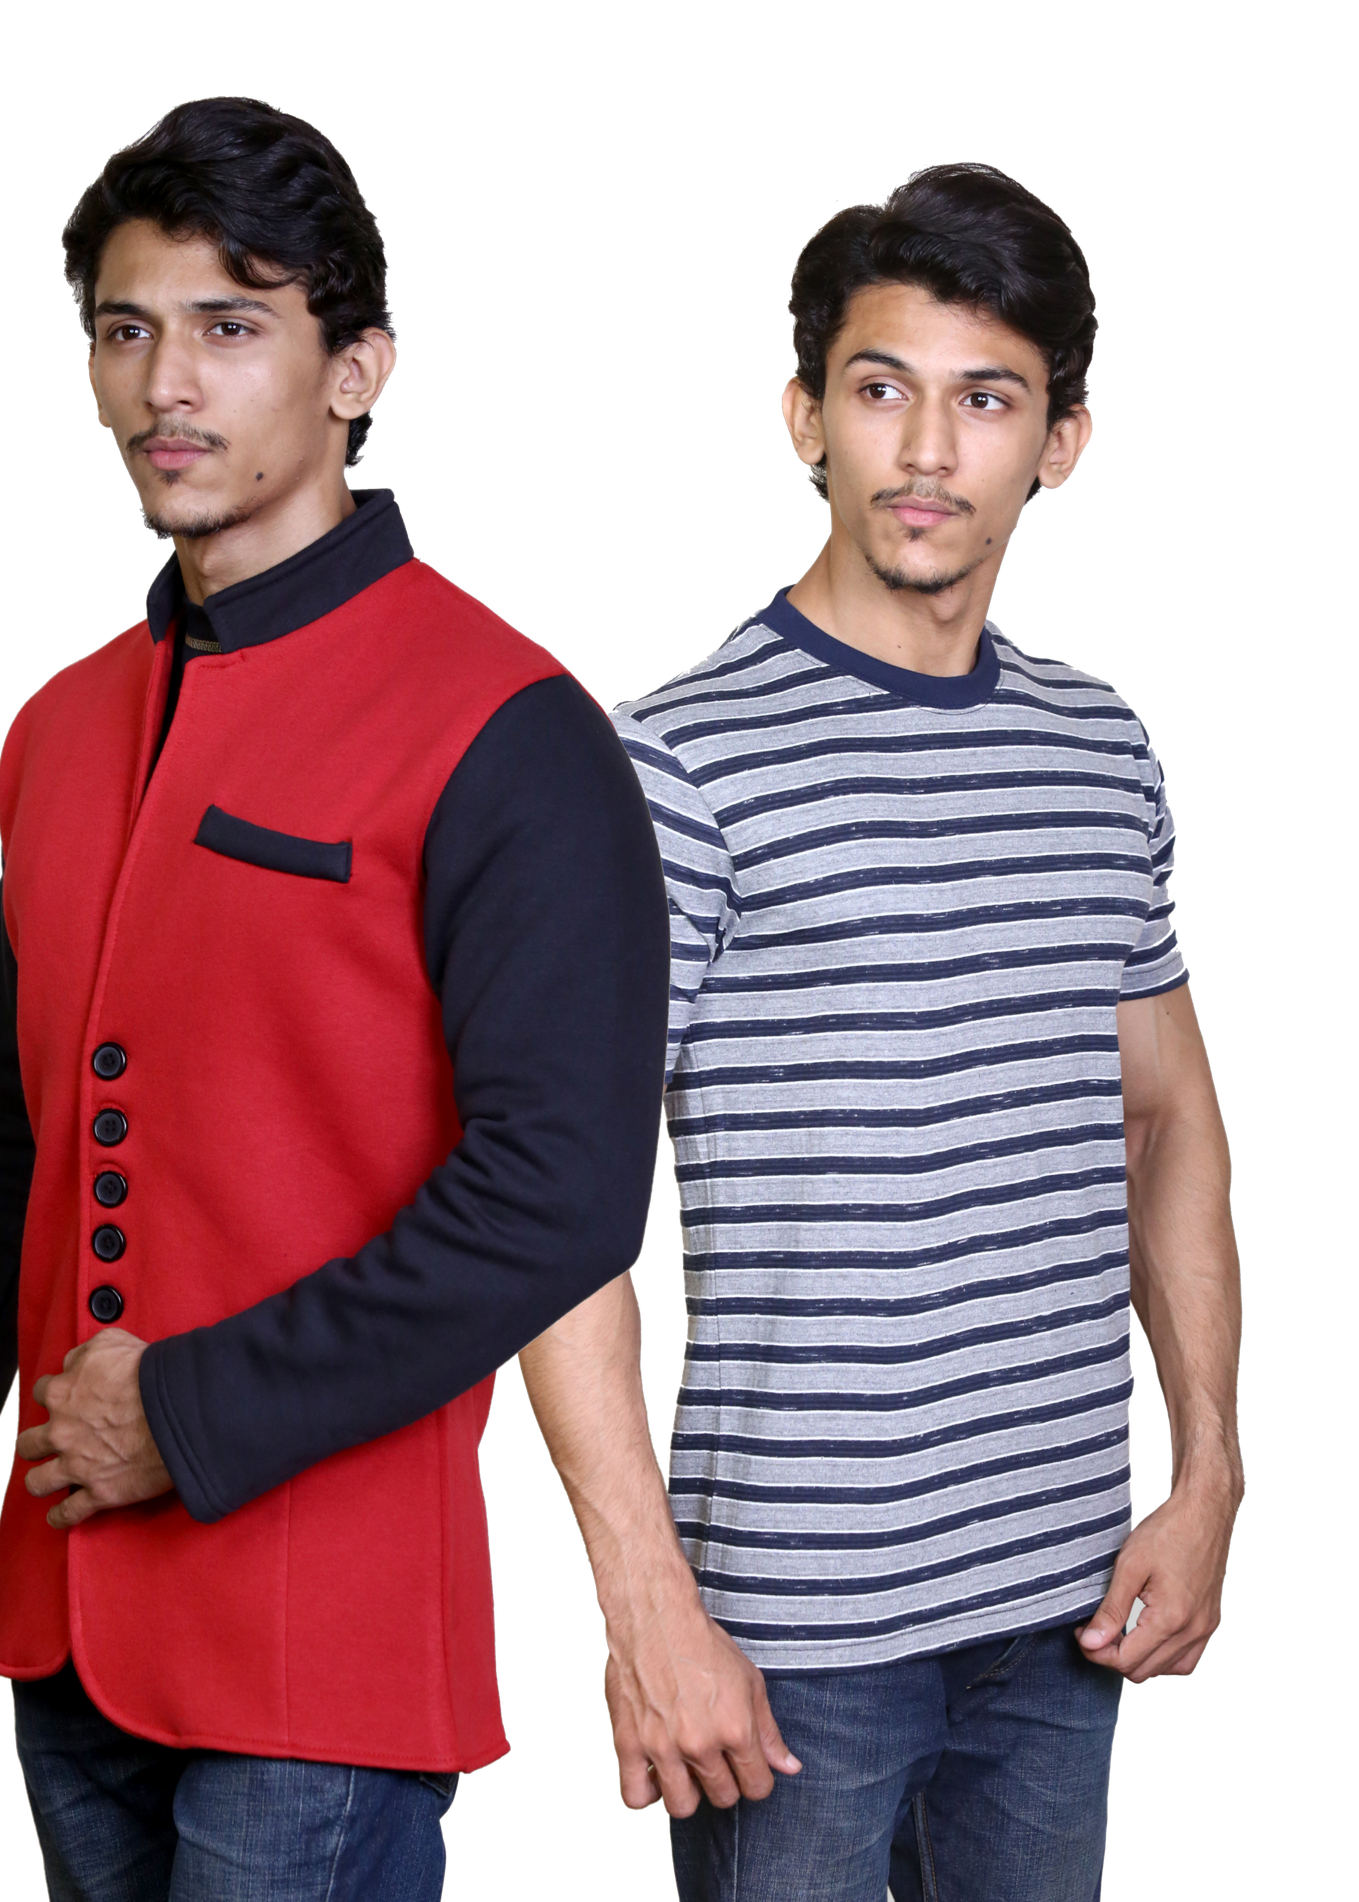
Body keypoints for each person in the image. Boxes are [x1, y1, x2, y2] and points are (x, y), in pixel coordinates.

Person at [0, 96, 669, 1902]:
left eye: (230, 324)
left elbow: (563, 1195)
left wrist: (187, 1411)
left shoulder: (512, 726)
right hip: (65, 1623)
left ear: (359, 368)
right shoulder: (56, 728)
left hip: (319, 1652)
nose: (165, 383)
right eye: (126, 329)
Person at [513, 162, 1245, 1901]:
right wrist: (649, 1607)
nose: (926, 450)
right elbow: (557, 1216)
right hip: (790, 1639)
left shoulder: (1099, 746)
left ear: (1061, 441)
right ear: (804, 417)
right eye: (880, 388)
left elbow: (1166, 1114)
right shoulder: (667, 764)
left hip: (1070, 1600)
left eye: (986, 399)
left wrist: (1209, 1469)